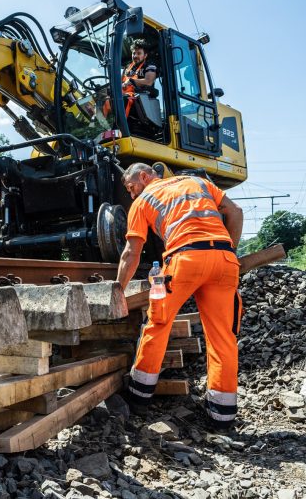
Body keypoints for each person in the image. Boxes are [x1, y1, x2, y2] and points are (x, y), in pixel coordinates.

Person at [117, 163, 244, 430]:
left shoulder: (142, 202)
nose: (131, 195)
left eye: (131, 188)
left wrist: (118, 289)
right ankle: (222, 415)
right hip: (223, 261)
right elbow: (235, 211)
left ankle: (139, 397)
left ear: (144, 176)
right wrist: (230, 251)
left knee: (159, 323)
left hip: (184, 261)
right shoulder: (198, 183)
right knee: (223, 337)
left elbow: (131, 252)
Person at [121, 39, 158, 119]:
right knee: (102, 99)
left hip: (140, 100)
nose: (135, 56)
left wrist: (131, 81)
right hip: (124, 94)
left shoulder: (149, 65)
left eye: (139, 53)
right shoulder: (127, 68)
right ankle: (95, 126)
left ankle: (120, 126)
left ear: (145, 55)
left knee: (124, 99)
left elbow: (149, 82)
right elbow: (119, 83)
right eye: (134, 53)